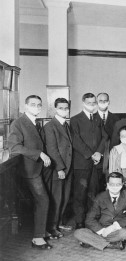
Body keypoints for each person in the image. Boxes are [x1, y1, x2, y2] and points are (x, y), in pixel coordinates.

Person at [8, 95, 53, 249]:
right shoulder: (18, 123)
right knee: (43, 200)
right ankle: (38, 237)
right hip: (28, 169)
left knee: (42, 201)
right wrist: (39, 154)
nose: (36, 107)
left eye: (39, 105)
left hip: (38, 168)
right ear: (25, 106)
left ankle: (41, 231)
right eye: (33, 104)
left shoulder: (36, 122)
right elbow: (15, 148)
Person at [70, 93, 108, 230]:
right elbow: (75, 140)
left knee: (94, 192)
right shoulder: (75, 120)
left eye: (94, 103)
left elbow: (105, 137)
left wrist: (99, 152)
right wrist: (90, 154)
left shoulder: (98, 118)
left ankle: (91, 221)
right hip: (82, 163)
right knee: (80, 193)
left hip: (96, 163)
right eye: (89, 103)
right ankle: (80, 222)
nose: (92, 105)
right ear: (83, 103)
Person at [74, 172, 126, 250]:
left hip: (117, 229)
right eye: (112, 184)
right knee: (78, 233)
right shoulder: (100, 197)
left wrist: (113, 227)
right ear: (108, 184)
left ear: (123, 184)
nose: (115, 187)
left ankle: (94, 242)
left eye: (118, 184)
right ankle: (111, 245)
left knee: (125, 233)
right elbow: (89, 219)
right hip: (101, 229)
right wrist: (102, 231)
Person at [43, 97, 73, 239]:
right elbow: (52, 149)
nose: (64, 110)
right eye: (61, 108)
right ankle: (52, 227)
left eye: (66, 108)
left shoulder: (66, 125)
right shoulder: (50, 126)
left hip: (68, 168)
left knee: (65, 197)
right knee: (56, 198)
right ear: (55, 109)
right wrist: (60, 168)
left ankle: (59, 222)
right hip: (58, 169)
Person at [96, 92, 119, 186]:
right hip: (96, 155)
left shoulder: (116, 118)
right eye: (100, 101)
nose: (103, 102)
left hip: (111, 155)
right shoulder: (91, 118)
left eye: (105, 101)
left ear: (109, 102)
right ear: (97, 102)